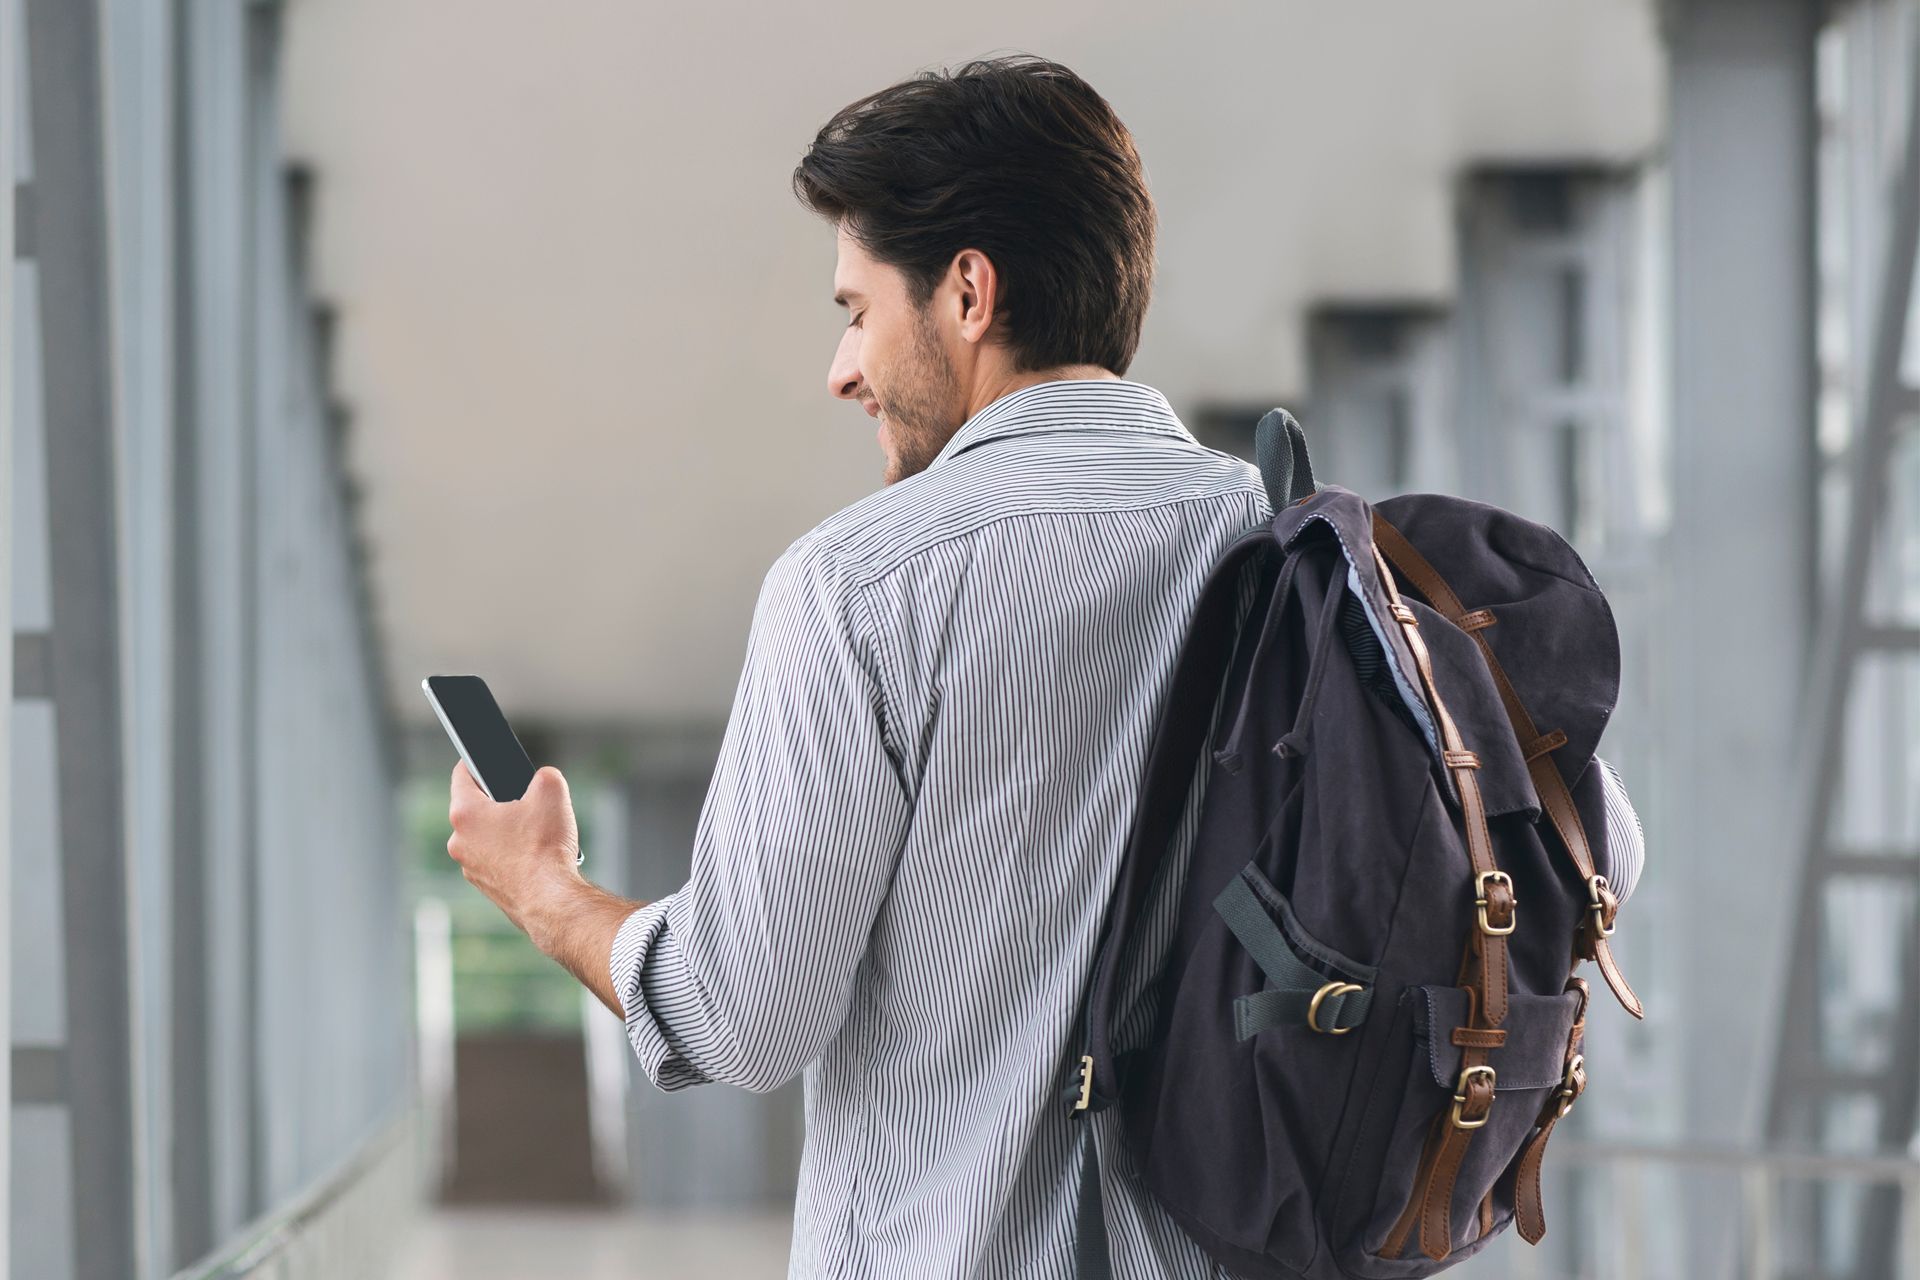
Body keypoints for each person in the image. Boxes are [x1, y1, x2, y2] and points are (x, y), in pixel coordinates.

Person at [444, 53, 1644, 1279]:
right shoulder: (1322, 573)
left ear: (968, 291)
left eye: (858, 310)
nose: (841, 368)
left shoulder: (858, 584)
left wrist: (544, 889)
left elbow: (741, 1013)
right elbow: (1595, 850)